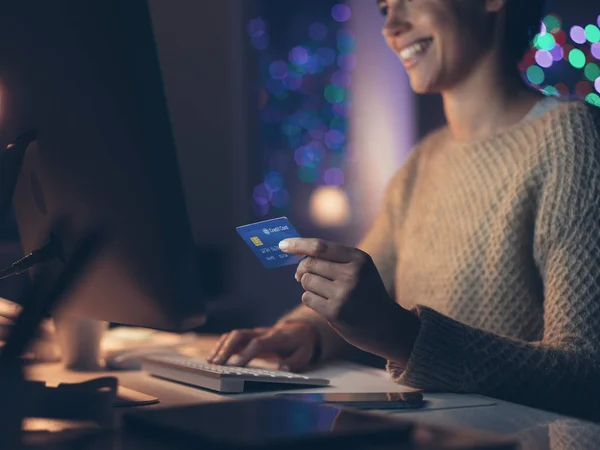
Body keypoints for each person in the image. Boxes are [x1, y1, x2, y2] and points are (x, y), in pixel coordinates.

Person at [209, 0, 600, 415]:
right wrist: (303, 331)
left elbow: (586, 374)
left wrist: (401, 334)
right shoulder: (423, 161)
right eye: (384, 9)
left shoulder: (571, 138)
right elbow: (364, 308)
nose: (391, 25)